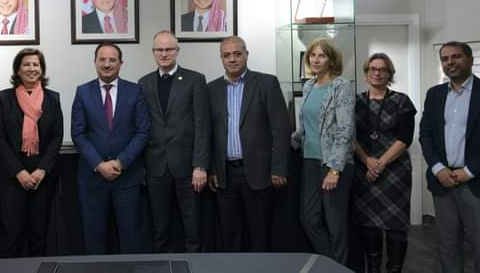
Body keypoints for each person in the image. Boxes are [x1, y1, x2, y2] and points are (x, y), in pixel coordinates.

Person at [419, 41, 480, 273]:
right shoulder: (435, 94)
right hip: (443, 181)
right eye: (445, 58)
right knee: (447, 244)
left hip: (479, 183)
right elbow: (426, 134)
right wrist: (438, 168)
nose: (450, 62)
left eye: (456, 56)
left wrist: (468, 172)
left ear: (470, 60)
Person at [207, 36, 291, 252]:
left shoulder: (267, 83)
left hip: (259, 172)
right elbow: (209, 134)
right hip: (225, 175)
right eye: (227, 55)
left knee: (259, 234)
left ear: (246, 55)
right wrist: (213, 169)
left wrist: (279, 168)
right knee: (230, 236)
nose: (232, 59)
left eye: (237, 54)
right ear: (221, 58)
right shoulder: (212, 89)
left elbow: (281, 129)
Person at [71, 43, 150, 254]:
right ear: (95, 62)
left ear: (121, 63)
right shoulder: (82, 92)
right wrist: (99, 164)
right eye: (102, 59)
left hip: (127, 178)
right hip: (93, 179)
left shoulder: (135, 91)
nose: (107, 64)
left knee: (130, 238)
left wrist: (120, 162)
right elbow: (78, 134)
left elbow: (142, 132)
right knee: (94, 238)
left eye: (112, 60)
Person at [138, 30, 210, 252]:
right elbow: (141, 127)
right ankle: (163, 265)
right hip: (156, 167)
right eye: (159, 50)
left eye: (169, 49)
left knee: (192, 227)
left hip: (187, 168)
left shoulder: (195, 80)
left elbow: (202, 125)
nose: (164, 54)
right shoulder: (144, 83)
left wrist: (200, 165)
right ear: (153, 52)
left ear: (177, 51)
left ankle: (194, 265)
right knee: (160, 229)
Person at [0, 48, 63, 257]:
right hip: (12, 177)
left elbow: (57, 136)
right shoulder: (4, 98)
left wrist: (42, 170)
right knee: (11, 234)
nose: (32, 68)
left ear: (42, 69)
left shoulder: (52, 98)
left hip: (42, 178)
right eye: (26, 64)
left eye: (36, 64)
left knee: (39, 234)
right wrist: (19, 172)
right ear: (18, 70)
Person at [291, 37, 355, 265]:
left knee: (335, 223)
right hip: (309, 161)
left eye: (322, 55)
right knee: (309, 219)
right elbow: (305, 127)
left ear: (332, 60)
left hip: (333, 164)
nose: (315, 60)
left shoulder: (342, 86)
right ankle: (331, 264)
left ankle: (338, 267)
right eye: (312, 55)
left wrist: (334, 169)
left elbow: (345, 129)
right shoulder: (308, 86)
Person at [353, 53, 416, 273]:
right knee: (368, 224)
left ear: (390, 74)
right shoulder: (355, 101)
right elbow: (349, 136)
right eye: (373, 69)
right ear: (366, 72)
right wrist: (367, 161)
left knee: (396, 226)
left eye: (383, 69)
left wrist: (379, 164)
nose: (377, 73)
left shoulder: (402, 101)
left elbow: (405, 139)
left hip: (395, 172)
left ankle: (394, 269)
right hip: (363, 169)